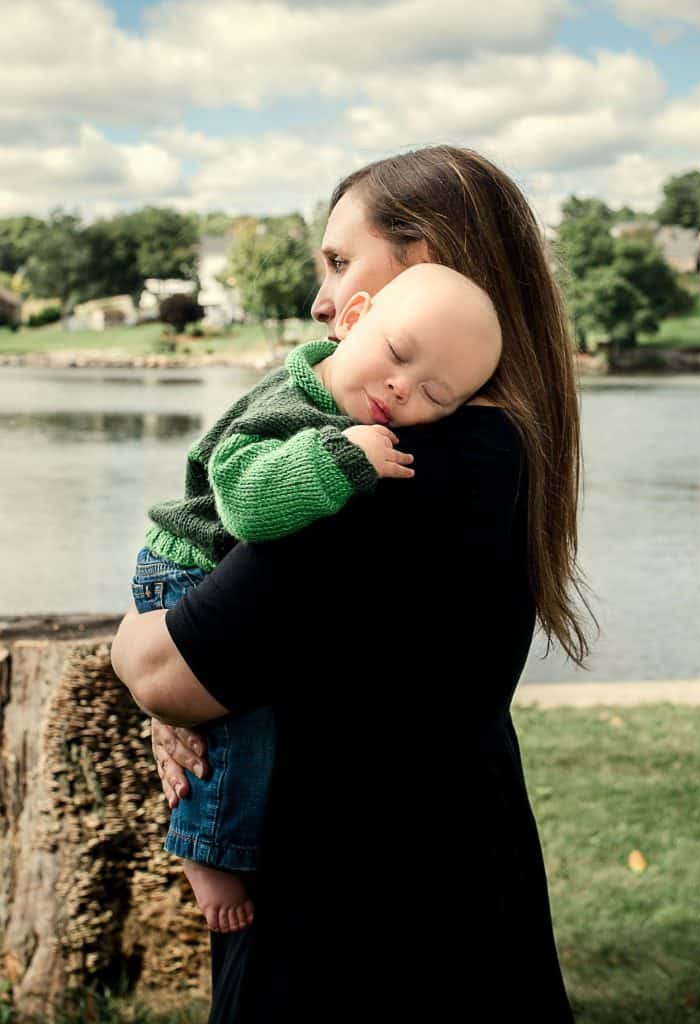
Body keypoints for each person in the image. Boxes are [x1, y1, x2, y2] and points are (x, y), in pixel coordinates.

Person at [112, 144, 594, 1021]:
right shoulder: (496, 446)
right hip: (455, 872)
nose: (321, 300)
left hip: (347, 914)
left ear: (426, 265)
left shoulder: (388, 468)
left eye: (340, 261)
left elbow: (160, 673)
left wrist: (141, 647)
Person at [130, 263, 502, 934]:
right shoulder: (297, 405)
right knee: (238, 720)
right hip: (184, 560)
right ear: (356, 320)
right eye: (396, 355)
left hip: (202, 567)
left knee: (230, 706)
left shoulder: (349, 400)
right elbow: (243, 503)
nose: (399, 387)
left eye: (433, 394)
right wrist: (344, 461)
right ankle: (203, 848)